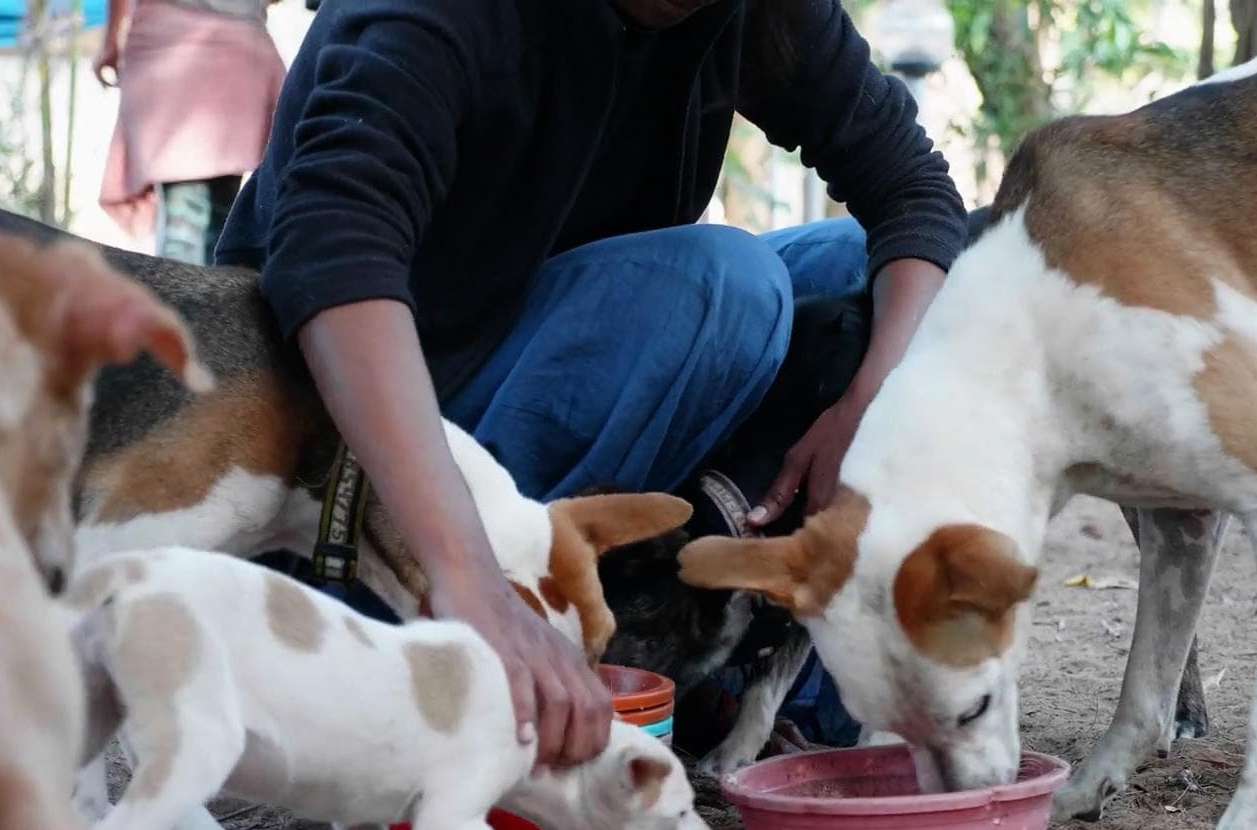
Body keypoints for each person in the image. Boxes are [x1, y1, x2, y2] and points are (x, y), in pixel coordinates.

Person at [213, 0, 968, 770]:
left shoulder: (755, 12)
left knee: (861, 271)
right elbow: (330, 253)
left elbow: (913, 189)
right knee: (725, 292)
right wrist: (466, 578)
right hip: (343, 453)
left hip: (541, 332)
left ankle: (754, 677)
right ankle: (465, 630)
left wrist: (875, 405)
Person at [94, 0, 286, 263]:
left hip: (171, 48)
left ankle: (184, 298)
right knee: (221, 214)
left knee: (186, 221)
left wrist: (110, 43)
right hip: (240, 53)